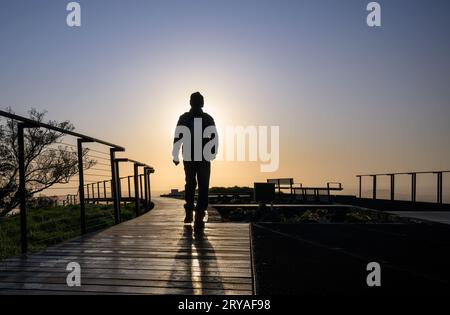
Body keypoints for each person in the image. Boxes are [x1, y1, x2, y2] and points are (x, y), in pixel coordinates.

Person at [172, 92, 218, 228]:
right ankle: (193, 213)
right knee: (196, 185)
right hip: (194, 156)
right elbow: (178, 136)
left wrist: (175, 154)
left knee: (195, 184)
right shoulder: (190, 118)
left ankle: (196, 213)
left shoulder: (203, 118)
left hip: (199, 156)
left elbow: (214, 137)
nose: (199, 103)